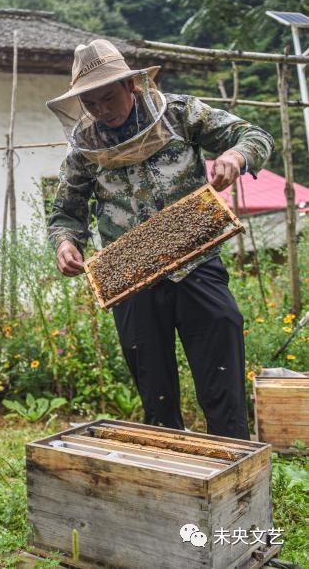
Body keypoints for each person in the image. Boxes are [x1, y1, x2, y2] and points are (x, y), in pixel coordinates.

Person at [46, 39, 274, 439]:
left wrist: (234, 158)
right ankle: (170, 478)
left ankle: (235, 472)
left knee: (222, 378)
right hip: (129, 277)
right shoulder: (83, 148)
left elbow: (254, 136)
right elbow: (67, 210)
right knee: (157, 395)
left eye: (108, 98)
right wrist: (66, 243)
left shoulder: (181, 114)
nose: (102, 110)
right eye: (91, 104)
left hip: (196, 266)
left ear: (130, 86)